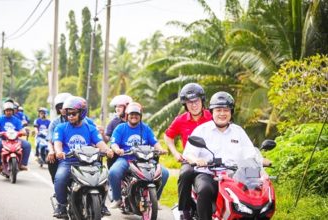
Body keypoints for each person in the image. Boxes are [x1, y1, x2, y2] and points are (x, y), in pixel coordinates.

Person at [182, 91, 263, 220]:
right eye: (218, 110)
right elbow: (189, 154)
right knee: (204, 189)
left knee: (256, 192)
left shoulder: (238, 131)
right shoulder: (202, 130)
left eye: (226, 110)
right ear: (212, 112)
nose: (222, 114)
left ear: (231, 113)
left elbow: (250, 152)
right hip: (208, 174)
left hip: (235, 175)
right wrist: (197, 160)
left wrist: (261, 160)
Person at [52, 96, 113, 218]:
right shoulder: (61, 128)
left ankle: (101, 205)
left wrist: (107, 150)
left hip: (90, 162)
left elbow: (100, 143)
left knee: (105, 177)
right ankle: (61, 206)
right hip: (68, 162)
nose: (70, 116)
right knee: (59, 178)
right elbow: (57, 143)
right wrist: (58, 152)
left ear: (82, 113)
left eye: (73, 113)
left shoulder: (90, 128)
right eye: (68, 114)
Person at [163, 83, 212, 218]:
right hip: (190, 159)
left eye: (196, 101)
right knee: (186, 174)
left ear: (202, 101)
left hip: (213, 159)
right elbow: (168, 136)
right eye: (189, 102)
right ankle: (184, 210)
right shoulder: (180, 120)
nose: (193, 105)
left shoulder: (213, 117)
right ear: (185, 104)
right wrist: (175, 152)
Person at [108, 102, 169, 208]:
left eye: (136, 114)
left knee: (164, 173)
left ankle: (156, 199)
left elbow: (155, 143)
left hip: (145, 160)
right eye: (131, 114)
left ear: (140, 116)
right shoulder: (120, 128)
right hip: (126, 159)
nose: (134, 117)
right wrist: (117, 150)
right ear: (127, 116)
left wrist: (161, 149)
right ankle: (117, 199)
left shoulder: (146, 128)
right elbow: (113, 143)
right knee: (113, 172)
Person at [0, 102, 31, 172]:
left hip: (15, 139)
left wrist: (24, 132)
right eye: (7, 111)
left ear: (13, 111)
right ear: (4, 111)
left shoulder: (17, 120)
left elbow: (21, 129)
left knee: (27, 145)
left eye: (10, 110)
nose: (8, 112)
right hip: (2, 138)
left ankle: (23, 164)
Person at [100, 95, 132, 169]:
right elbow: (106, 140)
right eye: (116, 107)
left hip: (132, 156)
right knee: (113, 173)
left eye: (120, 106)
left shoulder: (135, 123)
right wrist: (102, 134)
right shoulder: (113, 123)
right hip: (115, 156)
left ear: (127, 107)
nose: (117, 109)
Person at [46, 93, 71, 183]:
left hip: (79, 150)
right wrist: (52, 151)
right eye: (60, 107)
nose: (63, 109)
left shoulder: (84, 121)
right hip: (61, 151)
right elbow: (50, 140)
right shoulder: (55, 123)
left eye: (66, 107)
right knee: (51, 159)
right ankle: (56, 184)